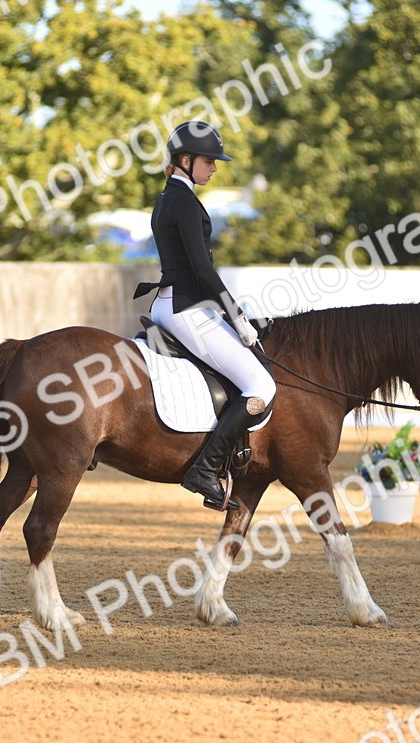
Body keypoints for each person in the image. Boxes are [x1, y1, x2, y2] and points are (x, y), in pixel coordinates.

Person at [134, 120, 277, 511]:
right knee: (261, 387)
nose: (214, 167)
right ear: (186, 160)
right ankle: (205, 469)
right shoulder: (182, 201)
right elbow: (202, 269)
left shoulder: (169, 197)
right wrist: (237, 316)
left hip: (173, 304)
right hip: (184, 309)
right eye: (209, 161)